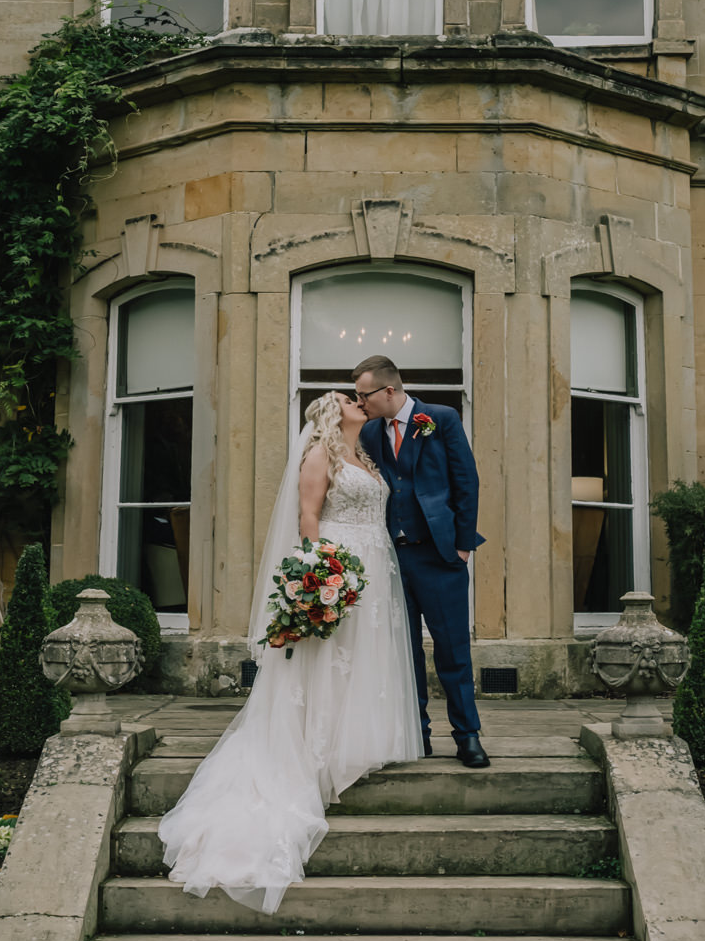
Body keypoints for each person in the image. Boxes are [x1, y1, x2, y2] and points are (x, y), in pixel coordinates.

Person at [157, 389, 424, 912]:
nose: (358, 402)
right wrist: (323, 573)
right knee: (330, 658)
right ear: (332, 413)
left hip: (377, 568)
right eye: (349, 398)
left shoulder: (365, 455)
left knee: (364, 658)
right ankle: (317, 751)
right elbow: (308, 519)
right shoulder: (319, 455)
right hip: (341, 563)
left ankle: (356, 742)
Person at [353, 354, 490, 769]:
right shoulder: (371, 432)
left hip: (439, 553)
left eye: (365, 395)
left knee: (452, 650)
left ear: (389, 390)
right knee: (403, 652)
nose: (360, 403)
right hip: (391, 558)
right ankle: (419, 734)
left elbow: (466, 480)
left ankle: (467, 737)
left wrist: (463, 545)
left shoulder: (441, 418)